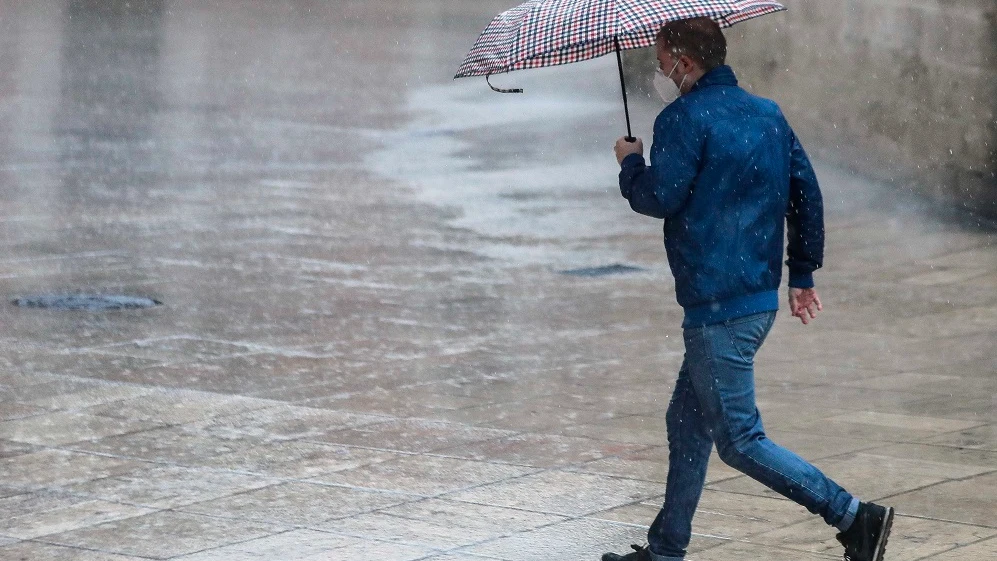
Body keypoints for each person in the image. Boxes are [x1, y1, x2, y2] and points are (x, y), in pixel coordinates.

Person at [604, 17, 894, 561]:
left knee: (739, 440)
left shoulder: (682, 119)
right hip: (753, 296)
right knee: (687, 424)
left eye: (662, 57)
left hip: (718, 305)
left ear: (686, 63)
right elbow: (806, 192)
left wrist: (630, 164)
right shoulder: (768, 114)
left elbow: (659, 198)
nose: (658, 66)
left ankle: (855, 517)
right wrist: (802, 273)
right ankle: (665, 549)